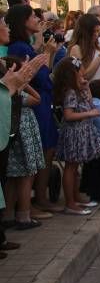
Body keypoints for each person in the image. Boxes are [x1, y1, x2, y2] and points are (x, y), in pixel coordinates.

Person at [6, 5, 61, 213]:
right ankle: (35, 201)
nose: (37, 20)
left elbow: (45, 71)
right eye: (32, 17)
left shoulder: (28, 45)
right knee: (38, 154)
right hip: (34, 103)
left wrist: (48, 53)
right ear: (22, 21)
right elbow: (34, 75)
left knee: (46, 150)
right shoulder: (19, 47)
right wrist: (46, 53)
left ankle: (40, 196)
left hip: (43, 99)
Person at [52, 57, 100, 213]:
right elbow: (68, 115)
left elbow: (90, 103)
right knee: (71, 167)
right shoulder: (70, 93)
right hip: (74, 133)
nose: (84, 73)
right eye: (81, 71)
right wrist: (90, 114)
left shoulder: (78, 90)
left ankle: (75, 197)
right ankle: (70, 202)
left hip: (81, 131)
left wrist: (86, 87)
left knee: (75, 168)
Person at [2, 57, 47, 229]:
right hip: (22, 135)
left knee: (13, 178)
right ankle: (24, 215)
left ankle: (8, 215)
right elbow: (37, 98)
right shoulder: (17, 93)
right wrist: (24, 83)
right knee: (26, 176)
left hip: (15, 135)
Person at [68, 14, 100, 82]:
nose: (96, 35)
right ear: (85, 32)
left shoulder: (98, 47)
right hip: (90, 90)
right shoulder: (76, 49)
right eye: (93, 31)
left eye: (97, 31)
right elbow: (84, 76)